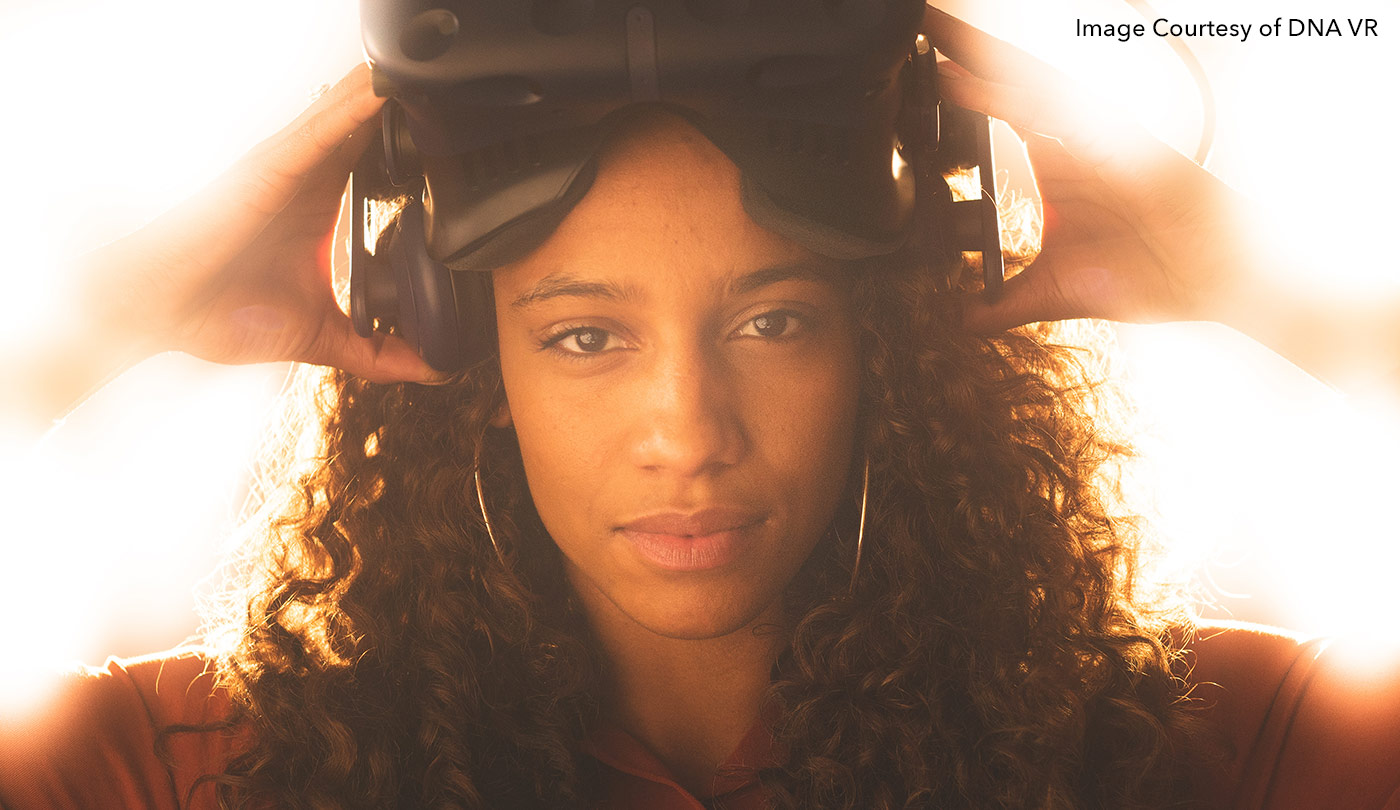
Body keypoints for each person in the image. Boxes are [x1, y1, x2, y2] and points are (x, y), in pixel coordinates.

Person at [2, 6, 1399, 810]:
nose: (688, 427)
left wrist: (1243, 276)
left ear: (880, 338)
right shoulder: (194, 775)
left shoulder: (1208, 749)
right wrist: (104, 325)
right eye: (588, 334)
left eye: (772, 320)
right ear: (463, 347)